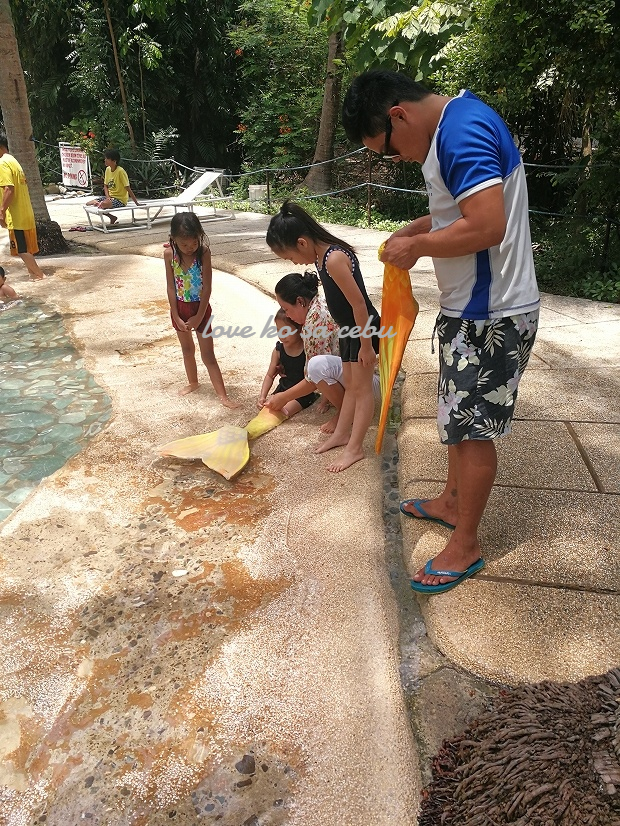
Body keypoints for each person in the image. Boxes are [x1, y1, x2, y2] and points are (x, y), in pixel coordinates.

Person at [342, 69, 540, 593]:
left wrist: (419, 248)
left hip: (492, 314)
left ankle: (467, 544)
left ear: (397, 116)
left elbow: (488, 223)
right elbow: (459, 211)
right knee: (456, 416)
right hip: (470, 310)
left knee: (472, 429)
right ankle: (452, 503)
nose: (394, 161)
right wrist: (419, 228)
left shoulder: (462, 130)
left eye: (385, 151)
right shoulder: (455, 125)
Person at [266, 202, 380, 473]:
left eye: (290, 256)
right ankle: (342, 434)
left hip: (363, 328)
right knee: (352, 386)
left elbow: (360, 304)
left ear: (302, 243)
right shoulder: (320, 258)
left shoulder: (334, 258)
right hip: (350, 329)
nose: (293, 263)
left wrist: (366, 345)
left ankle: (355, 448)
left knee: (362, 390)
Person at [164, 212, 237, 407]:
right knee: (187, 349)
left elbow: (207, 288)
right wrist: (175, 314)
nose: (190, 248)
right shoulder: (169, 254)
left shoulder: (203, 253)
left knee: (208, 354)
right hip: (179, 307)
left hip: (200, 307)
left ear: (200, 236)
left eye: (193, 243)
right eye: (184, 245)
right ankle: (193, 382)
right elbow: (171, 287)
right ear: (174, 240)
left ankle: (223, 396)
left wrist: (199, 316)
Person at [264, 271, 345, 433]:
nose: (287, 315)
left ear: (300, 301)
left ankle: (345, 413)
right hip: (357, 371)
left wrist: (283, 397)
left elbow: (313, 378)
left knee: (316, 367)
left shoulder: (314, 323)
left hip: (363, 379)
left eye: (286, 309)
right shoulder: (320, 303)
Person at [0, 133, 46, 280]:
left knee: (22, 250)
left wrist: (1, 210)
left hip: (17, 216)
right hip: (25, 213)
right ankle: (33, 275)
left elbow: (9, 189)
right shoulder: (13, 161)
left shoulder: (2, 163)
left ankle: (40, 275)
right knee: (25, 249)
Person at [258, 308, 319, 417]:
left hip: (302, 393)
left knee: (282, 412)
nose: (281, 335)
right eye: (278, 330)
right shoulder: (278, 351)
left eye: (286, 331)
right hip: (283, 389)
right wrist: (262, 396)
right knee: (268, 408)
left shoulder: (307, 349)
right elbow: (269, 375)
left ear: (299, 329)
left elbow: (313, 378)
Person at [86, 149, 140, 225]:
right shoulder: (107, 169)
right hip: (110, 197)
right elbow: (105, 186)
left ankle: (100, 204)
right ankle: (111, 216)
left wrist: (136, 203)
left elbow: (128, 188)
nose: (105, 160)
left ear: (114, 161)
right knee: (89, 203)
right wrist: (108, 197)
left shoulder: (120, 171)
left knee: (104, 204)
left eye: (107, 159)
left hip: (120, 200)